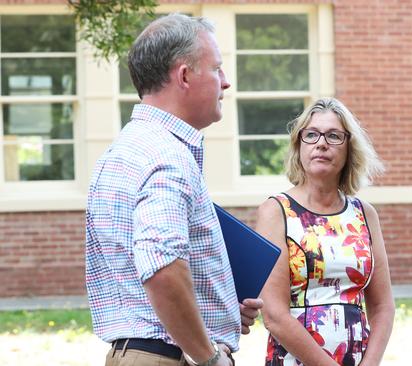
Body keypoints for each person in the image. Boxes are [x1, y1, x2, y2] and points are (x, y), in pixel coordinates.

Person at [85, 14, 262, 366]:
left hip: (138, 352)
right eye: (217, 69)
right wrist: (209, 357)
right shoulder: (167, 155)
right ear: (184, 76)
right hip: (168, 358)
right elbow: (162, 268)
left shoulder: (123, 149)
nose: (226, 83)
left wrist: (220, 305)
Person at [255, 97, 395, 366]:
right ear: (298, 146)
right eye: (311, 135)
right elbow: (274, 314)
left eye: (333, 136)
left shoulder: (364, 214)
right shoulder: (276, 212)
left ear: (349, 149)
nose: (321, 143)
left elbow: (383, 306)